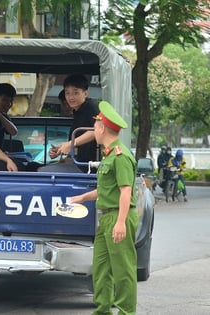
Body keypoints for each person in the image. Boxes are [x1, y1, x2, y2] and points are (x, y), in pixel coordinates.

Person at [69, 101, 138, 315]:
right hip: (106, 217)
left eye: (96, 126)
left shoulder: (120, 156)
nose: (94, 131)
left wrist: (120, 223)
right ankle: (102, 311)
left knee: (123, 271)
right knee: (101, 270)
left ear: (102, 128)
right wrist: (82, 197)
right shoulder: (108, 155)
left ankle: (126, 312)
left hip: (119, 217)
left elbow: (125, 191)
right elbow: (107, 190)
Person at [49, 74, 100, 169]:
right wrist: (60, 149)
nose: (71, 97)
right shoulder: (77, 112)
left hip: (88, 168)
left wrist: (70, 144)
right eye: (67, 93)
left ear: (85, 93)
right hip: (79, 163)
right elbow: (78, 144)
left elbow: (96, 131)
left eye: (75, 93)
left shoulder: (90, 107)